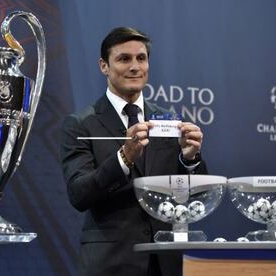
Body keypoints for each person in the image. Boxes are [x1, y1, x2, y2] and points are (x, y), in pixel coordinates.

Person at [61, 27, 207, 276]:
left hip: (166, 262)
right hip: (111, 263)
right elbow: (79, 194)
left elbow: (193, 197)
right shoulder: (81, 123)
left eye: (141, 58)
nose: (135, 66)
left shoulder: (168, 121)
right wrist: (123, 158)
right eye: (124, 58)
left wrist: (189, 159)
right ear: (103, 66)